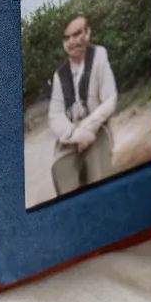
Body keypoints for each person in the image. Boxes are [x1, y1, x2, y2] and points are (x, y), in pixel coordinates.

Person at [48, 13, 118, 196]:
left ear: (88, 33)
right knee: (62, 173)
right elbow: (55, 115)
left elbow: (110, 99)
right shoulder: (59, 75)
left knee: (98, 176)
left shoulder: (99, 55)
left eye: (77, 34)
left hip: (97, 130)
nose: (72, 41)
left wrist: (87, 129)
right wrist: (77, 135)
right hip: (70, 139)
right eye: (67, 38)